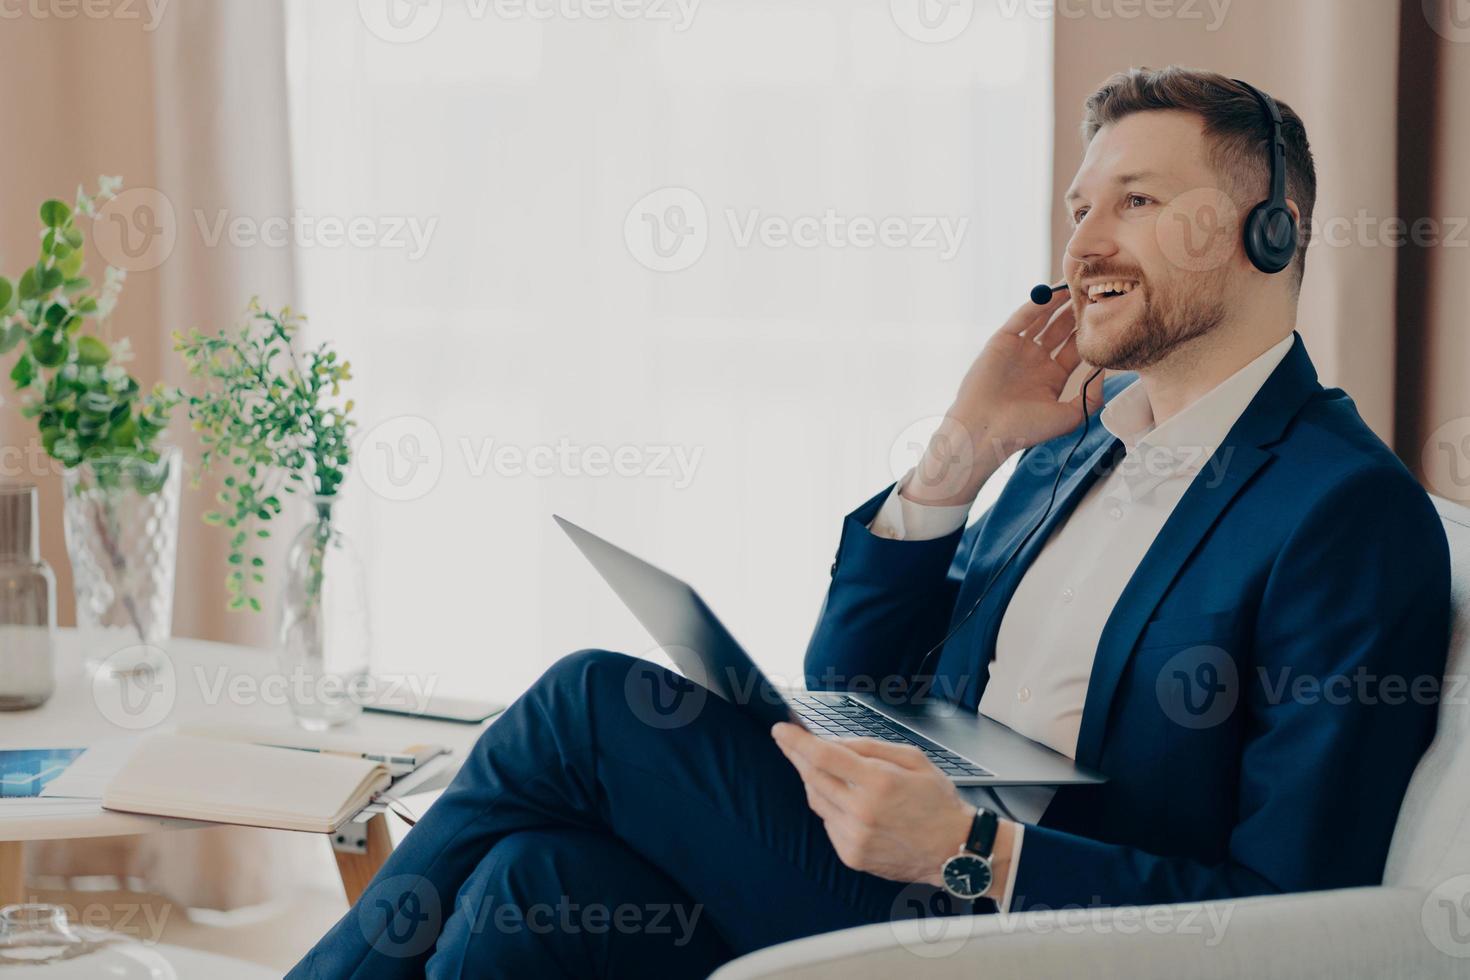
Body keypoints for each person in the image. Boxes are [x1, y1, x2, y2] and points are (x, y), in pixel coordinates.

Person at [288, 65, 1450, 979]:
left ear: (1271, 232)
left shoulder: (1343, 511)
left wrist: (976, 847)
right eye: (1079, 207)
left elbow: (1297, 917)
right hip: (900, 873)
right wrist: (963, 450)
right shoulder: (1069, 448)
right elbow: (853, 676)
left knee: (588, 703)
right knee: (529, 885)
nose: (1083, 245)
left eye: (1137, 203)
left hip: (1031, 933)